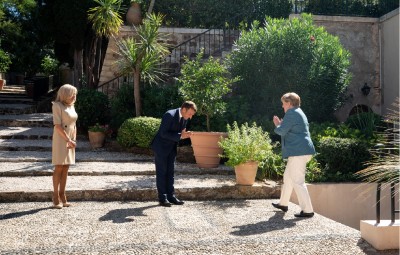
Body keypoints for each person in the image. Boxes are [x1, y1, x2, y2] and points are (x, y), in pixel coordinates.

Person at [271, 92, 316, 218]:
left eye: (283, 103)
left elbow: (281, 131)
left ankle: (308, 210)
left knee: (298, 181)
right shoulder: (298, 112)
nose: (282, 106)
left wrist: (277, 124)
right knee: (288, 178)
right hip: (300, 151)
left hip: (298, 152)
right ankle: (283, 203)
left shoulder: (291, 113)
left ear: (289, 103)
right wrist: (281, 124)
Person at [151, 101, 197, 207]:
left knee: (170, 172)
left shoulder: (185, 117)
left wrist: (183, 135)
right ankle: (162, 198)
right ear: (184, 109)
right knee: (162, 172)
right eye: (190, 114)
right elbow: (163, 133)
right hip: (161, 147)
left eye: (192, 115)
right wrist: (180, 136)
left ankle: (171, 196)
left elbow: (178, 133)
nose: (190, 117)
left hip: (171, 148)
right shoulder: (169, 115)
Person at [51, 84, 78, 209]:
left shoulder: (71, 106)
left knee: (66, 167)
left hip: (70, 139)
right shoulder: (57, 106)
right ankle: (56, 196)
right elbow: (57, 126)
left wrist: (73, 139)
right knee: (59, 167)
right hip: (61, 138)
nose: (74, 96)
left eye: (75, 94)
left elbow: (74, 125)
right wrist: (68, 139)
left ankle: (63, 195)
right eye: (72, 94)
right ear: (65, 94)